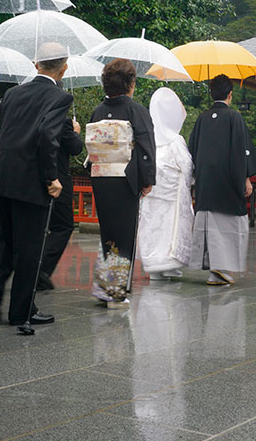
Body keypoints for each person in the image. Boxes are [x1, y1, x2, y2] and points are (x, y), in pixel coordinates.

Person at [0, 42, 74, 327]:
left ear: (36, 65)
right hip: (31, 183)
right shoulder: (59, 97)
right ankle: (21, 310)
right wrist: (52, 178)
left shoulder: (12, 93)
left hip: (3, 178)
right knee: (30, 248)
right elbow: (47, 137)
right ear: (64, 68)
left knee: (4, 243)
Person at [87, 59, 155, 304]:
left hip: (101, 177)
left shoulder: (97, 111)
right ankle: (114, 291)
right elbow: (146, 148)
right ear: (130, 84)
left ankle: (106, 286)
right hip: (125, 179)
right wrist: (148, 179)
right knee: (125, 235)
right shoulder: (136, 110)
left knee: (109, 233)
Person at [188, 74, 256, 285]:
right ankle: (222, 269)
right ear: (230, 94)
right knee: (228, 227)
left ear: (212, 94)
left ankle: (213, 268)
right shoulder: (234, 117)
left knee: (208, 225)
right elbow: (241, 152)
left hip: (206, 183)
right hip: (228, 182)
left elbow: (192, 149)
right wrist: (245, 178)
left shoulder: (202, 118)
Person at [139, 87, 192, 281]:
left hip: (152, 191)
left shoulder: (148, 136)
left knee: (152, 226)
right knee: (170, 229)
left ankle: (154, 266)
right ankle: (168, 263)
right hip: (172, 195)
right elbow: (186, 165)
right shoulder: (175, 140)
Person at [36, 108, 83, 293]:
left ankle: (31, 267)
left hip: (33, 178)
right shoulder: (63, 121)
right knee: (63, 225)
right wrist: (75, 132)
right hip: (58, 178)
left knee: (38, 226)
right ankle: (41, 270)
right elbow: (75, 148)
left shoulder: (33, 116)